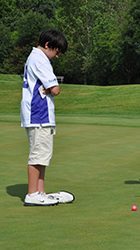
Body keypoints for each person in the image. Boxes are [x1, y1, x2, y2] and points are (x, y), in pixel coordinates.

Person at [21, 29, 75, 206]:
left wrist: (50, 88)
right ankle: (32, 193)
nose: (57, 56)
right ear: (47, 45)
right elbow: (56, 89)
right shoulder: (40, 59)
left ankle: (40, 191)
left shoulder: (36, 57)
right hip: (38, 114)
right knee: (37, 155)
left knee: (43, 155)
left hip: (41, 114)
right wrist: (51, 88)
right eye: (56, 51)